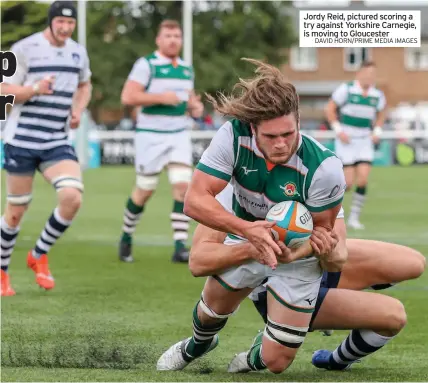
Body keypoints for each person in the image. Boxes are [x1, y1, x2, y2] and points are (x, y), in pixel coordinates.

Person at [156, 59, 347, 374]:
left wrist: (298, 250)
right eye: (270, 137)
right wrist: (248, 231)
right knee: (209, 313)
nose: (281, 143)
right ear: (252, 127)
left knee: (277, 363)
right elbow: (194, 200)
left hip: (297, 257)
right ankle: (196, 345)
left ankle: (254, 355)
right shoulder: (232, 136)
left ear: (298, 121)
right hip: (247, 232)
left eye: (288, 133)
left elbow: (323, 234)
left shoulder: (325, 168)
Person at [187, 183, 425, 372]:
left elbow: (337, 257)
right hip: (280, 286)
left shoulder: (316, 175)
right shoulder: (233, 188)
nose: (279, 146)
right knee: (394, 316)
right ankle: (321, 351)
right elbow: (198, 262)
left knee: (414, 263)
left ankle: (336, 358)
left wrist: (322, 247)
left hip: (317, 264)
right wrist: (253, 248)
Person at [0, 1, 92, 296]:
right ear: (51, 21)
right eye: (60, 22)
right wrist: (34, 89)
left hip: (56, 140)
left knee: (72, 197)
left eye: (70, 23)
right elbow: (4, 90)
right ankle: (2, 273)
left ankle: (38, 254)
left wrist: (78, 109)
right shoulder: (23, 48)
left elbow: (85, 84)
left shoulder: (78, 52)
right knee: (16, 210)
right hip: (22, 140)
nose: (65, 28)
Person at [118, 19, 204, 264]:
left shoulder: (187, 68)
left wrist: (194, 107)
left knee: (182, 187)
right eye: (168, 36)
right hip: (150, 135)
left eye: (177, 36)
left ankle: (179, 247)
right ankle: (126, 236)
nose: (173, 40)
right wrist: (160, 98)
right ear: (159, 40)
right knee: (145, 191)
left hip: (178, 133)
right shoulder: (147, 65)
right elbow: (128, 96)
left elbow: (188, 102)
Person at [325, 61, 386, 230]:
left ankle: (354, 218)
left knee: (363, 179)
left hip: (365, 140)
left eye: (373, 74)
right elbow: (330, 109)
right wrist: (338, 130)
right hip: (347, 140)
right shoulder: (347, 89)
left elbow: (381, 114)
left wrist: (377, 131)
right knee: (348, 183)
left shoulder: (377, 94)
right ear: (359, 74)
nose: (369, 77)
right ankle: (329, 210)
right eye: (367, 74)